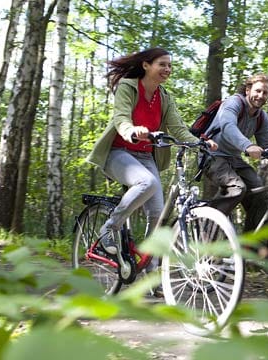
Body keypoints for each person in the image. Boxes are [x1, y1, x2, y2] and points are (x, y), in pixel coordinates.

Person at [86, 47, 217, 255]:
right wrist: (131, 130)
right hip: (118, 152)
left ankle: (149, 269)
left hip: (145, 156)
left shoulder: (164, 97)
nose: (167, 69)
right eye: (162, 64)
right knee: (147, 182)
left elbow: (179, 129)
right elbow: (121, 118)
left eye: (169, 65)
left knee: (157, 214)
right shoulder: (127, 87)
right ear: (146, 65)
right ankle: (109, 228)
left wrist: (199, 142)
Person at [203, 74, 268, 244]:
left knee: (261, 195)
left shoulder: (261, 117)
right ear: (248, 90)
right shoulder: (233, 103)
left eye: (265, 93)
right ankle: (206, 230)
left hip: (233, 159)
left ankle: (246, 247)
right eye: (258, 91)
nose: (261, 96)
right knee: (237, 188)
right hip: (212, 156)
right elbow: (228, 127)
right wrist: (247, 146)